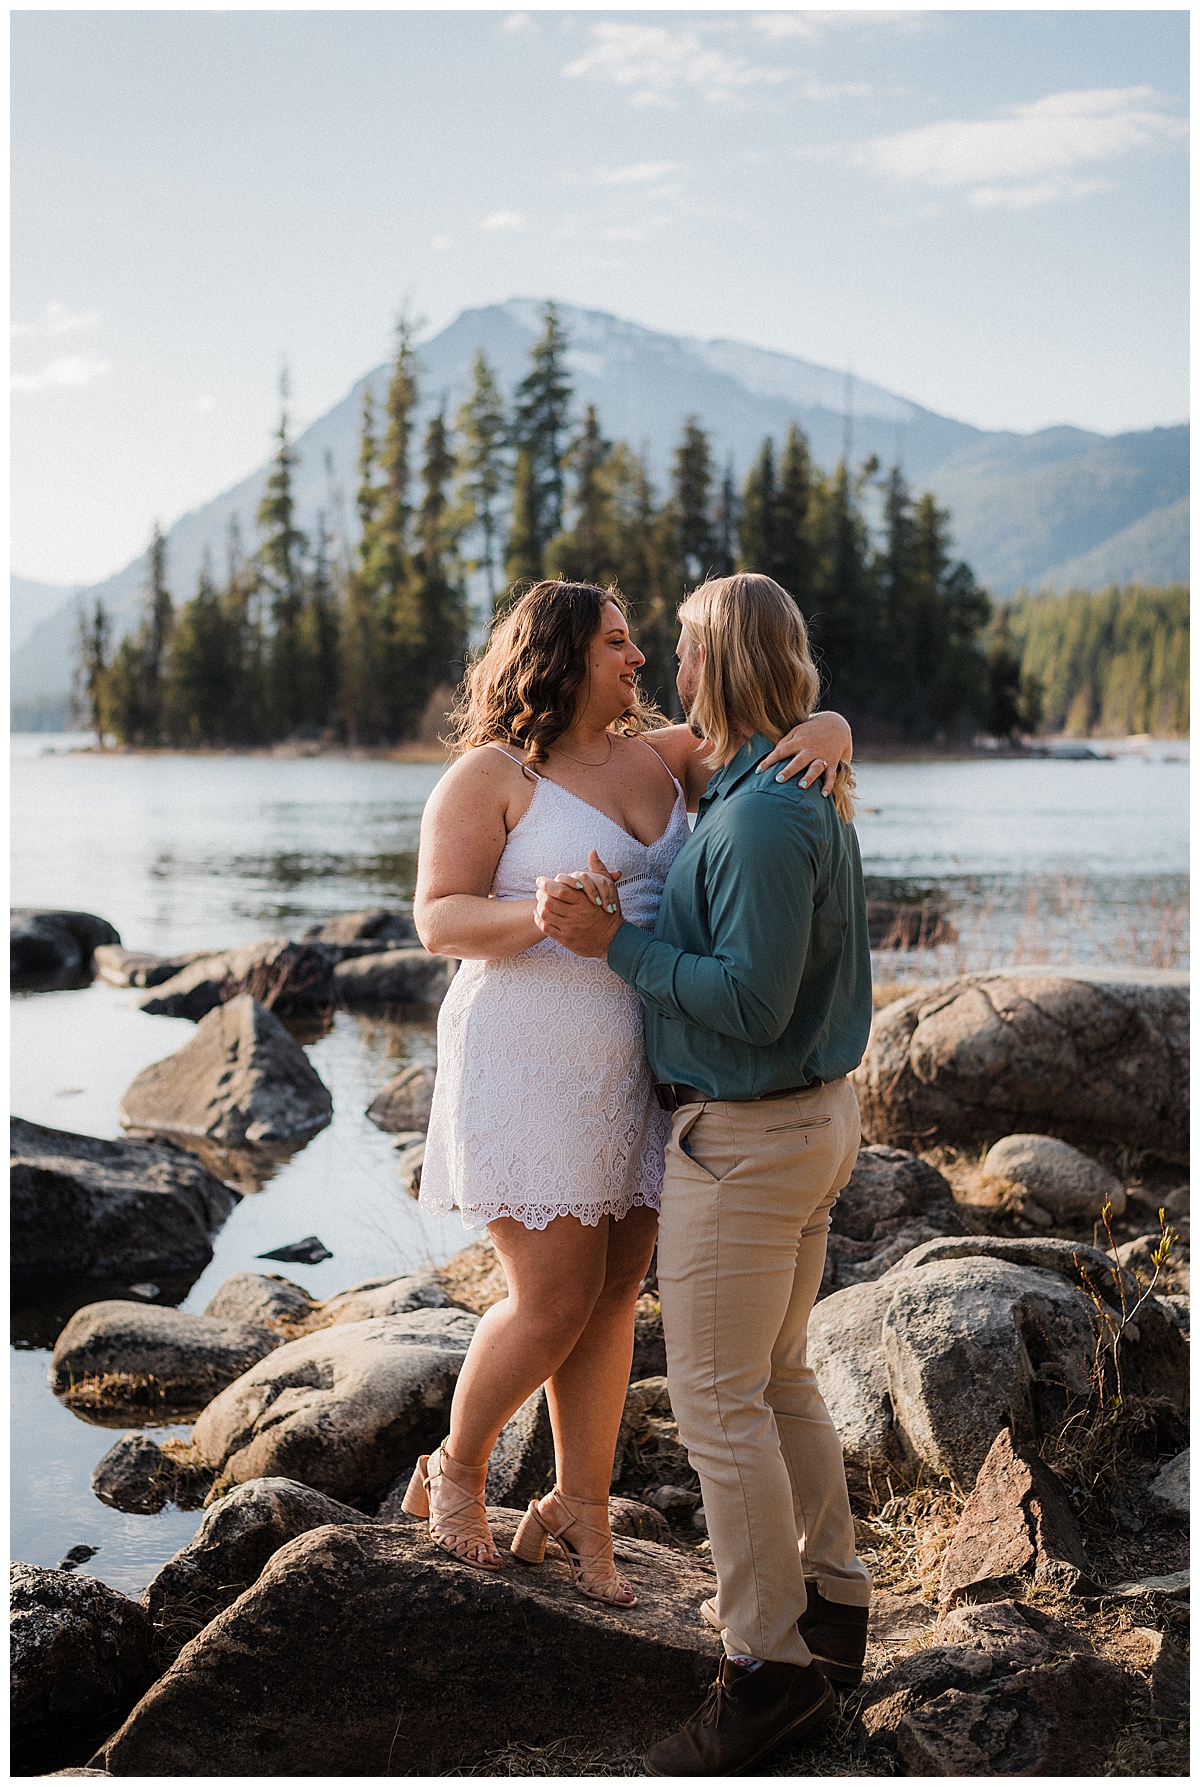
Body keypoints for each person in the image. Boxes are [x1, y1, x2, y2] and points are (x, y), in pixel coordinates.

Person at [405, 578, 854, 1609]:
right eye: (617, 642)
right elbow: (438, 921)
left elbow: (767, 725)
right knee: (552, 1297)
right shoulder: (492, 774)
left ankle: (583, 1510)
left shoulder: (661, 753)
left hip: (643, 1067)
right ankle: (457, 1469)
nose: (639, 658)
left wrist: (830, 723)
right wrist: (538, 917)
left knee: (612, 1300)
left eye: (642, 642)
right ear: (560, 655)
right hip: (529, 1059)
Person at [534, 573, 873, 1774]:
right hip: (798, 1127)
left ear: (719, 658)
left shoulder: (767, 814)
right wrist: (828, 726)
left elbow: (752, 998)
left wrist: (612, 941)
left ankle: (766, 1672)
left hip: (751, 1138)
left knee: (720, 1405)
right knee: (778, 1378)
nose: (669, 662)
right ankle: (833, 1611)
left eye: (681, 642)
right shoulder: (768, 777)